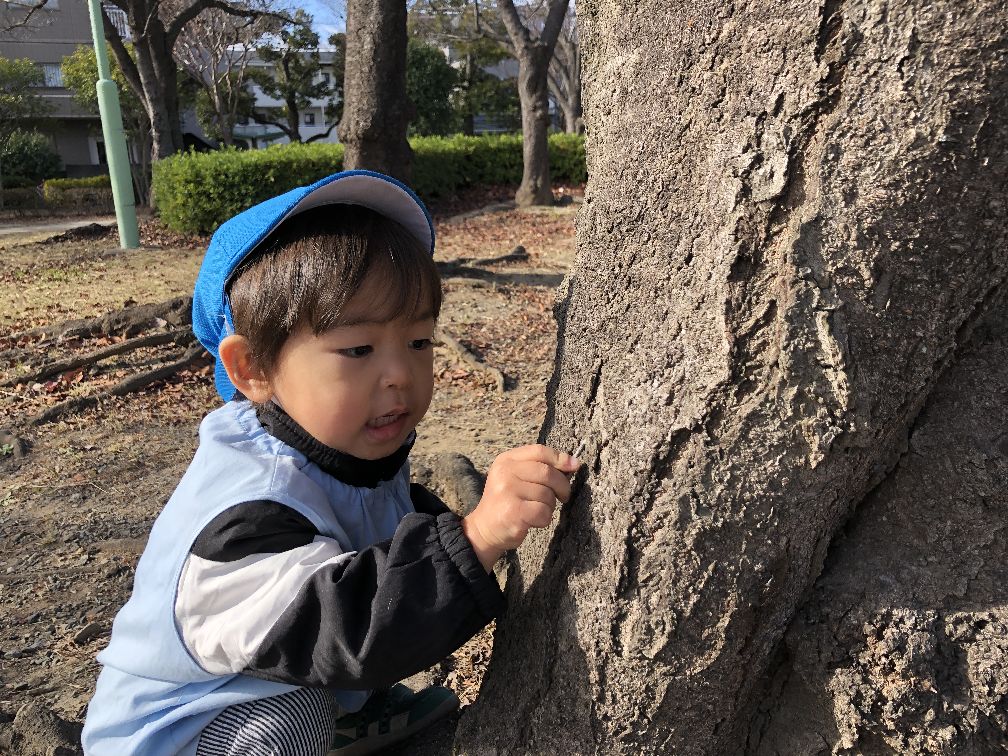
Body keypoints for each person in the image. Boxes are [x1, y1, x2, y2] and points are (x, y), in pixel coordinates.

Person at [81, 170, 580, 756]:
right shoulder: (245, 517)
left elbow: (382, 524)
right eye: (358, 348)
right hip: (178, 733)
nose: (399, 374)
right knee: (288, 720)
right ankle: (331, 719)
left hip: (262, 679)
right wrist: (477, 538)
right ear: (252, 370)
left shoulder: (334, 442)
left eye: (419, 342)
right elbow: (343, 626)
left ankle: (347, 714)